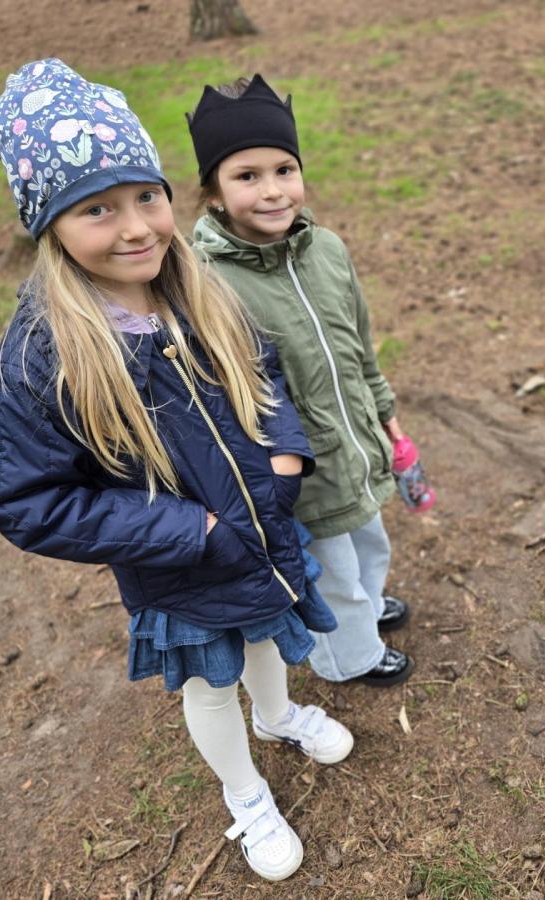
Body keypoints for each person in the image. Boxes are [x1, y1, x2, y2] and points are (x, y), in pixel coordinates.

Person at [0, 59, 347, 882]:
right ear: (49, 225)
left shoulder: (197, 291)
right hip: (183, 564)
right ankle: (246, 794)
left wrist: (284, 452)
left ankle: (278, 714)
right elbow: (27, 499)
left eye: (146, 196)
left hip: (261, 523)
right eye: (97, 209)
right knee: (212, 686)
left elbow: (264, 368)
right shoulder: (39, 358)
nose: (136, 227)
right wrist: (192, 530)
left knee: (267, 637)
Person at [186, 74, 415, 687]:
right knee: (331, 571)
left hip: (357, 443)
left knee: (370, 543)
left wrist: (385, 413)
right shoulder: (208, 282)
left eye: (284, 170)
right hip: (300, 471)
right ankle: (349, 657)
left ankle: (368, 610)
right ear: (213, 193)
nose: (272, 190)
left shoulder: (328, 250)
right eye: (247, 176)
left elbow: (359, 343)